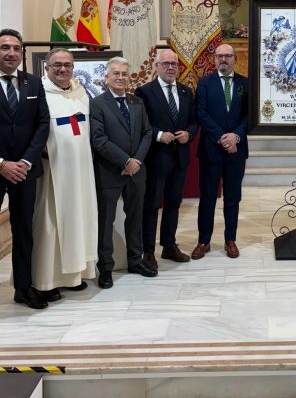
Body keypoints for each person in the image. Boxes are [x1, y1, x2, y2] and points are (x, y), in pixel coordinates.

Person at [32, 48, 98, 302]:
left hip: (81, 171)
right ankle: (47, 280)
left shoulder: (82, 93)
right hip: (53, 172)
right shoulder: (39, 93)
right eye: (57, 65)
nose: (62, 69)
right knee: (50, 225)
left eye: (67, 65)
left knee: (79, 219)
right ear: (46, 68)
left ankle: (74, 276)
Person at [90, 57, 155, 288]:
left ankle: (135, 261)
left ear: (129, 77)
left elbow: (147, 133)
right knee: (105, 221)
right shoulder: (97, 104)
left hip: (137, 171)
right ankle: (105, 268)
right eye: (115, 73)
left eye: (124, 74)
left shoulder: (137, 102)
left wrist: (135, 161)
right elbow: (98, 139)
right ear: (106, 77)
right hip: (109, 171)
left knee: (135, 218)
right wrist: (125, 160)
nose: (120, 77)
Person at [0, 28, 50, 309]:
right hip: (1, 166)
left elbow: (43, 124)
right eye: (5, 48)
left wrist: (26, 161)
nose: (11, 53)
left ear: (22, 53)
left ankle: (23, 287)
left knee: (23, 230)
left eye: (16, 48)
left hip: (25, 169)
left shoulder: (33, 84)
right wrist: (2, 164)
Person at [135, 49, 197, 271]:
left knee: (174, 203)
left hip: (180, 158)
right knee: (151, 205)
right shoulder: (144, 92)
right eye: (166, 64)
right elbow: (141, 124)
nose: (171, 68)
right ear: (157, 67)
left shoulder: (186, 92)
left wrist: (189, 134)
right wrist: (159, 135)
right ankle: (148, 250)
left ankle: (169, 246)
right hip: (156, 158)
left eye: (174, 64)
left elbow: (193, 120)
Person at [192, 43, 248, 259]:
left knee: (233, 197)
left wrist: (236, 136)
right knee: (207, 198)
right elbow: (201, 113)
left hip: (237, 150)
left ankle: (230, 240)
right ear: (214, 60)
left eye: (227, 56)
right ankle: (203, 241)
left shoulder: (245, 83)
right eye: (219, 56)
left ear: (235, 59)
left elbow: (248, 115)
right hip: (211, 151)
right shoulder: (205, 83)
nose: (223, 60)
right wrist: (221, 137)